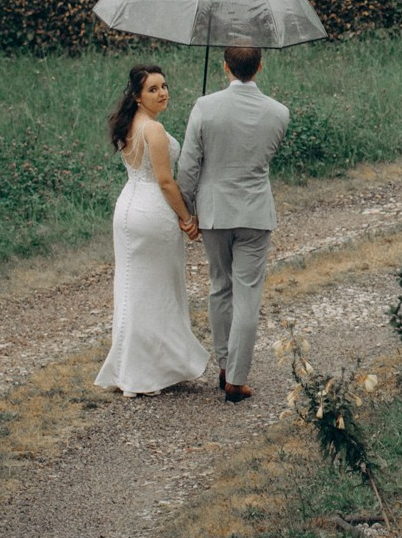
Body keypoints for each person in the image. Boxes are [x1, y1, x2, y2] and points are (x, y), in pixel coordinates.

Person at [176, 44, 289, 403]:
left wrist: (187, 210)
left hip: (214, 212)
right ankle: (237, 380)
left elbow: (188, 165)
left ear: (225, 67)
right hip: (255, 212)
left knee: (219, 286)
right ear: (259, 67)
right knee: (247, 294)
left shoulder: (204, 107)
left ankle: (224, 366)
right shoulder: (279, 113)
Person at [95, 64, 211, 398]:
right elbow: (165, 181)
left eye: (164, 86)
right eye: (153, 89)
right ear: (137, 95)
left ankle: (132, 368)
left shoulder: (129, 124)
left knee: (134, 287)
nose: (162, 93)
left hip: (128, 208)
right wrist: (187, 218)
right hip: (152, 212)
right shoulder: (153, 130)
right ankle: (145, 372)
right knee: (156, 288)